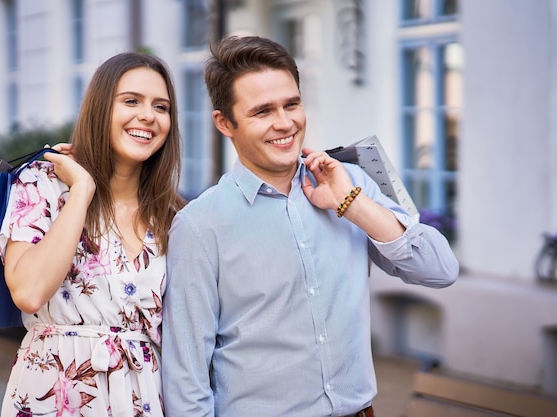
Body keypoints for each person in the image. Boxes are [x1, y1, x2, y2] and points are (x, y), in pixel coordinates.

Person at [161, 35, 459, 417]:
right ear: (225, 123)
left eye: (292, 104)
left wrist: (351, 204)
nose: (285, 123)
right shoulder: (200, 226)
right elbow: (186, 381)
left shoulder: (352, 183)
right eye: (262, 111)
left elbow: (441, 270)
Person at [0, 52, 184, 417]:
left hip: (142, 397)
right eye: (131, 101)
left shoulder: (172, 215)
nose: (148, 115)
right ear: (100, 107)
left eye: (161, 107)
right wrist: (82, 190)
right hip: (56, 393)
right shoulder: (43, 184)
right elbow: (29, 292)